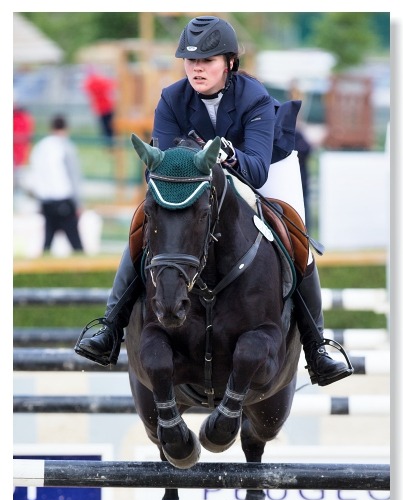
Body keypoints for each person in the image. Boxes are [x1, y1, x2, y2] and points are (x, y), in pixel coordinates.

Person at [75, 16, 352, 387]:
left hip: (266, 164)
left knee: (293, 233)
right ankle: (109, 327)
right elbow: (160, 164)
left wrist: (228, 154)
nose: (197, 68)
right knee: (145, 220)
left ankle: (318, 346)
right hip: (199, 179)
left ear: (230, 63)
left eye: (207, 61)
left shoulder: (253, 98)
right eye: (191, 61)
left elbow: (254, 171)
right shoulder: (172, 98)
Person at [29, 115, 84, 253]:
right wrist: (78, 203)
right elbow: (73, 176)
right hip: (63, 200)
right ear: (65, 128)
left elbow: (35, 176)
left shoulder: (40, 147)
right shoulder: (65, 147)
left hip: (45, 200)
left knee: (47, 241)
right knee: (76, 244)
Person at [83, 67, 116, 145]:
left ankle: (109, 144)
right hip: (108, 107)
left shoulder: (89, 83)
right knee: (111, 128)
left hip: (101, 109)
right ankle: (111, 143)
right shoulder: (102, 80)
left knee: (105, 128)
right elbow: (111, 86)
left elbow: (89, 95)